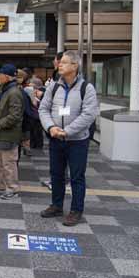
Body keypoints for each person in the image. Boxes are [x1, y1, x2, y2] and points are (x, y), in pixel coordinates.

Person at [39, 50, 99, 226]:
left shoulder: (86, 88)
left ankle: (76, 210)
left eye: (64, 62)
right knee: (56, 174)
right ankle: (57, 205)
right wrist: (51, 127)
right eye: (60, 62)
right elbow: (43, 109)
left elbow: (89, 114)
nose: (59, 65)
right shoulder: (54, 86)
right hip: (56, 139)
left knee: (77, 177)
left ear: (75, 65)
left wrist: (68, 131)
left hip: (77, 141)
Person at [0, 64, 23, 200]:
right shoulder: (6, 90)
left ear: (6, 77)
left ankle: (12, 188)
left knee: (8, 162)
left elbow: (15, 115)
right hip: (2, 134)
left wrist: (0, 124)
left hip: (8, 134)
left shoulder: (13, 92)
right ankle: (0, 184)